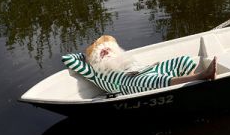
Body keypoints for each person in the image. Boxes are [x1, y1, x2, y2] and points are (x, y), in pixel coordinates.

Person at [62, 34, 216, 96]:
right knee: (156, 81)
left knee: (185, 61)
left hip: (148, 69)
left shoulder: (124, 59)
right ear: (94, 60)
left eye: (107, 48)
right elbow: (68, 59)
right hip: (127, 83)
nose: (105, 51)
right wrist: (86, 57)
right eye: (99, 53)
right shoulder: (95, 72)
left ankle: (191, 85)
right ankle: (201, 76)